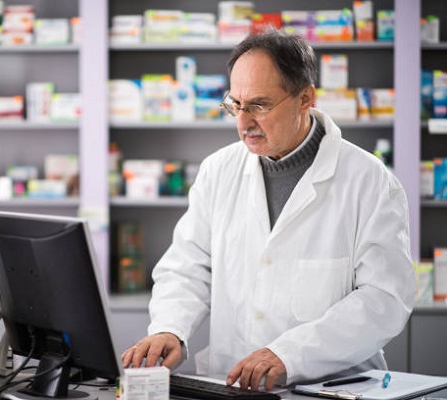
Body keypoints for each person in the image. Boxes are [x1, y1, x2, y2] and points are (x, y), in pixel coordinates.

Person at [121, 29, 415, 391]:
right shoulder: (218, 171)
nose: (243, 122)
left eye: (259, 105)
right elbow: (187, 266)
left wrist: (289, 354)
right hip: (233, 384)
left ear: (305, 98)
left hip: (330, 389)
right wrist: (170, 327)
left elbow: (384, 300)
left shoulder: (369, 181)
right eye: (235, 105)